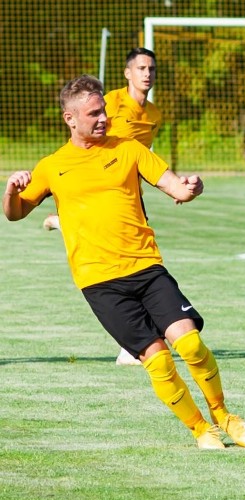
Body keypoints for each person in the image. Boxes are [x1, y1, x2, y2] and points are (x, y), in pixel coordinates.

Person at [4, 75, 245, 450]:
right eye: (93, 113)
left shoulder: (129, 148)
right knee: (157, 360)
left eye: (104, 110)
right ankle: (201, 430)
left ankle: (223, 414)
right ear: (69, 119)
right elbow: (15, 213)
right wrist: (10, 189)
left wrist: (189, 189)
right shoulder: (52, 166)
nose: (103, 118)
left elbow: (173, 185)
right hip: (99, 283)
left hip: (146, 267)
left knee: (189, 344)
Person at [42, 48, 163, 366]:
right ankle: (134, 342)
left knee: (139, 257)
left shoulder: (154, 113)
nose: (147, 74)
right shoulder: (110, 102)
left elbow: (141, 154)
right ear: (127, 73)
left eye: (151, 68)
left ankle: (136, 341)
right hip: (98, 182)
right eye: (141, 68)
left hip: (128, 187)